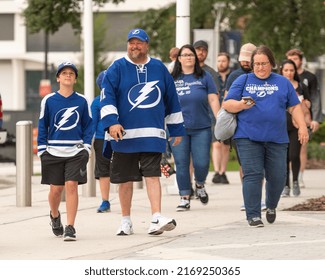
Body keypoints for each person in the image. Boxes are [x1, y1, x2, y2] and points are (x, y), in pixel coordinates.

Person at [100, 28, 185, 236]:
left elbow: (171, 99)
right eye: (131, 42)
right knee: (125, 180)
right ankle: (126, 220)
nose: (134, 46)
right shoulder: (117, 68)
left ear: (147, 45)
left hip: (152, 134)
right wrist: (112, 122)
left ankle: (156, 217)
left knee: (153, 175)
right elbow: (107, 96)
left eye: (139, 42)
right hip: (124, 135)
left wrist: (176, 128)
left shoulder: (159, 68)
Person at [223, 45, 309, 227]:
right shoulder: (243, 80)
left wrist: (302, 126)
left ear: (272, 64)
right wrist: (240, 105)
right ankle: (253, 215)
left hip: (277, 138)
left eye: (264, 64)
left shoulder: (282, 82)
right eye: (256, 64)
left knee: (278, 176)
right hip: (247, 137)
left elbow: (294, 106)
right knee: (252, 175)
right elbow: (227, 104)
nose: (260, 68)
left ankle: (271, 206)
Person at [37, 62, 93, 241]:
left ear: (75, 79)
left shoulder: (82, 100)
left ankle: (70, 227)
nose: (68, 75)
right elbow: (42, 125)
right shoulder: (48, 100)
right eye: (64, 73)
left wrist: (86, 148)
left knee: (71, 185)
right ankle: (54, 216)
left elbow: (88, 126)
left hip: (75, 151)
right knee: (56, 190)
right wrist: (42, 150)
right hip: (53, 151)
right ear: (58, 78)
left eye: (71, 73)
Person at [171, 44, 220, 211]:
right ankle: (184, 196)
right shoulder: (172, 78)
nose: (188, 57)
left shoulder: (204, 77)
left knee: (202, 162)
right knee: (181, 163)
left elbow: (213, 100)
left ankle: (200, 185)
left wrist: (219, 119)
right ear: (179, 59)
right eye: (184, 55)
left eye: (191, 55)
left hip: (202, 127)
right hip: (178, 129)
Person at [224, 43, 268, 211]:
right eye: (242, 60)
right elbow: (227, 100)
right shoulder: (234, 75)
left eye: (247, 60)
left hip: (262, 125)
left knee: (261, 164)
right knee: (246, 165)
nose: (244, 63)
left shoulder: (265, 76)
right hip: (241, 126)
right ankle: (248, 197)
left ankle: (260, 197)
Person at [286, 49, 323, 188]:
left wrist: (316, 119)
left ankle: (299, 177)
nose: (293, 61)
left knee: (301, 147)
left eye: (295, 58)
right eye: (290, 58)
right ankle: (288, 178)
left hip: (304, 117)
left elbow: (315, 98)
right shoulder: (282, 77)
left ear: (300, 60)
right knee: (288, 150)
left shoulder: (309, 77)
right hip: (286, 119)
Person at [280, 59, 311, 197]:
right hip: (281, 125)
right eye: (286, 70)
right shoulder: (278, 86)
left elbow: (309, 104)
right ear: (281, 71)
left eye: (291, 70)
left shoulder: (301, 86)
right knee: (284, 157)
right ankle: (286, 185)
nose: (289, 73)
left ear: (295, 71)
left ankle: (296, 181)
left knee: (294, 154)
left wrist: (303, 103)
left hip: (296, 126)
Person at [91, 70, 111, 212]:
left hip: (120, 137)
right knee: (103, 171)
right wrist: (86, 142)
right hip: (101, 138)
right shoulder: (97, 102)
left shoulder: (122, 99)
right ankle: (105, 201)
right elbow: (93, 123)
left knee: (121, 170)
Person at [212, 52, 232, 184]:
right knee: (216, 144)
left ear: (228, 62)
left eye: (223, 61)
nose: (221, 63)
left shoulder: (233, 76)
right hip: (214, 113)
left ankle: (223, 172)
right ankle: (216, 171)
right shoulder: (214, 76)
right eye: (219, 61)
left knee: (225, 145)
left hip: (229, 113)